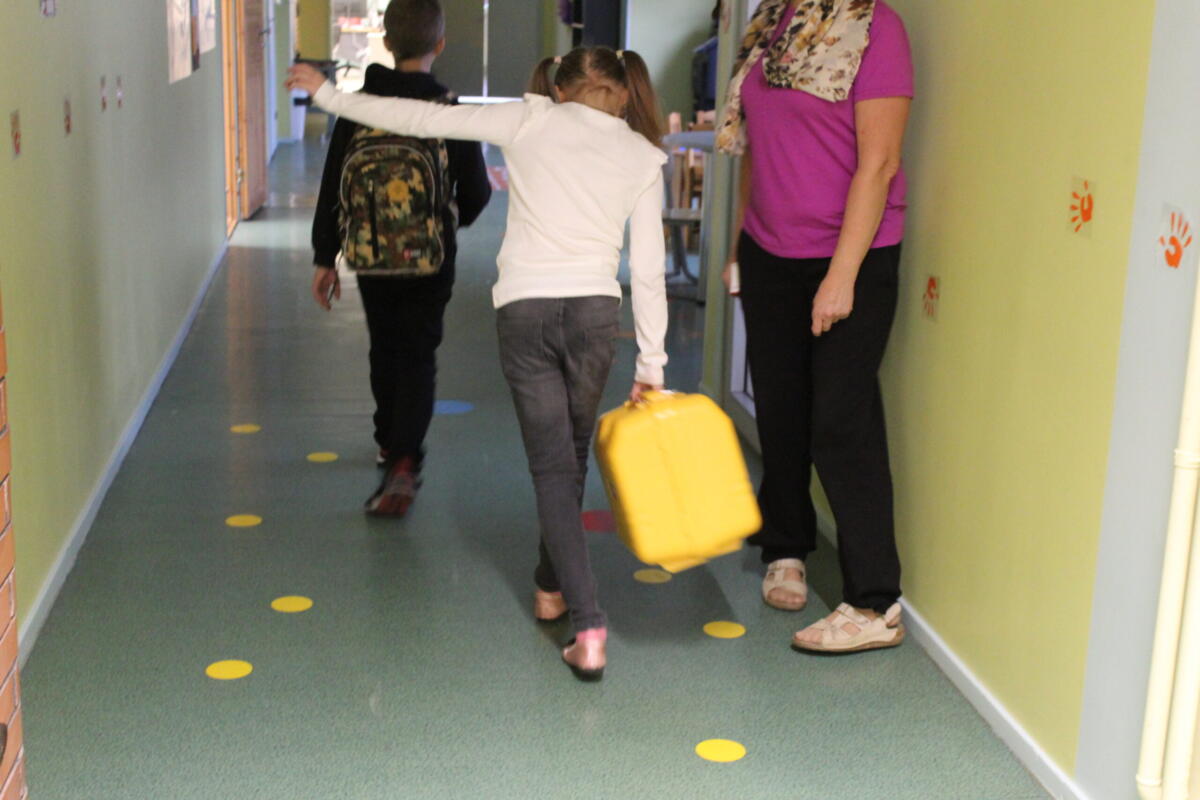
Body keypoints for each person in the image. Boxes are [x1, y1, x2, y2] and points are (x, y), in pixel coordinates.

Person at [288, 46, 669, 680]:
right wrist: (651, 362)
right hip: (595, 318)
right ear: (625, 92)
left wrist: (327, 97)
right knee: (568, 460)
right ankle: (551, 584)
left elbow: (419, 118)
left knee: (553, 467)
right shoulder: (642, 155)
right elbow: (650, 272)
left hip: (526, 313)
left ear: (559, 87)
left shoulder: (528, 118)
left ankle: (588, 624)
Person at [717, 0, 913, 653]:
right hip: (769, 251)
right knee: (779, 408)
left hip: (851, 254)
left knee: (840, 419)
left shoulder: (876, 28)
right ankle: (786, 546)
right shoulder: (770, 21)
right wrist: (741, 244)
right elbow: (758, 147)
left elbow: (879, 163)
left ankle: (875, 602)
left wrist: (842, 275)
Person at [309, 0, 491, 517]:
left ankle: (389, 440)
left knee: (385, 345)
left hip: (372, 255)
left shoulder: (360, 108)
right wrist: (446, 222)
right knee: (417, 353)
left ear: (386, 43)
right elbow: (477, 193)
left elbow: (333, 186)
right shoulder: (448, 109)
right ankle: (406, 458)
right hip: (431, 257)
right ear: (440, 44)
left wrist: (325, 257)